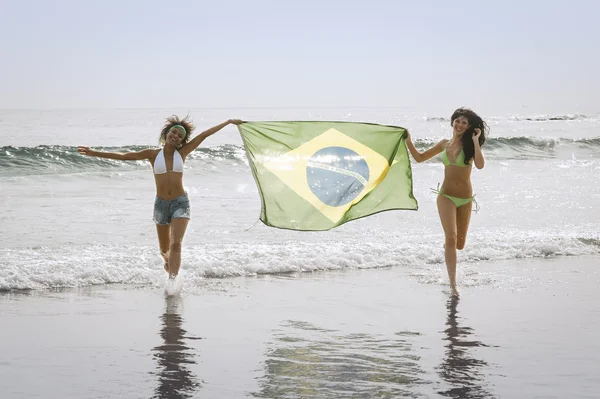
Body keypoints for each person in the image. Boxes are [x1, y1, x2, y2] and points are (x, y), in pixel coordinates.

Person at [78, 116, 242, 278]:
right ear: (167, 133)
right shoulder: (152, 154)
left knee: (176, 244)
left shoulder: (183, 153)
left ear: (181, 141)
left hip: (181, 203)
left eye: (180, 136)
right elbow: (124, 156)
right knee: (164, 250)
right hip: (161, 205)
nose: (175, 136)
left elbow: (204, 135)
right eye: (174, 132)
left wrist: (227, 122)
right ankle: (168, 262)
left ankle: (173, 284)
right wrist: (94, 153)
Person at [405, 108, 487, 297]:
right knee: (450, 238)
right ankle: (453, 285)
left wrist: (475, 141)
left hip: (465, 199)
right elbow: (419, 158)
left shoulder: (469, 146)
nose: (459, 125)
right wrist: (409, 140)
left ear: (469, 127)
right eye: (457, 121)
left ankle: (449, 248)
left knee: (459, 244)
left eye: (464, 123)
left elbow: (481, 165)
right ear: (452, 123)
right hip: (446, 196)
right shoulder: (443, 144)